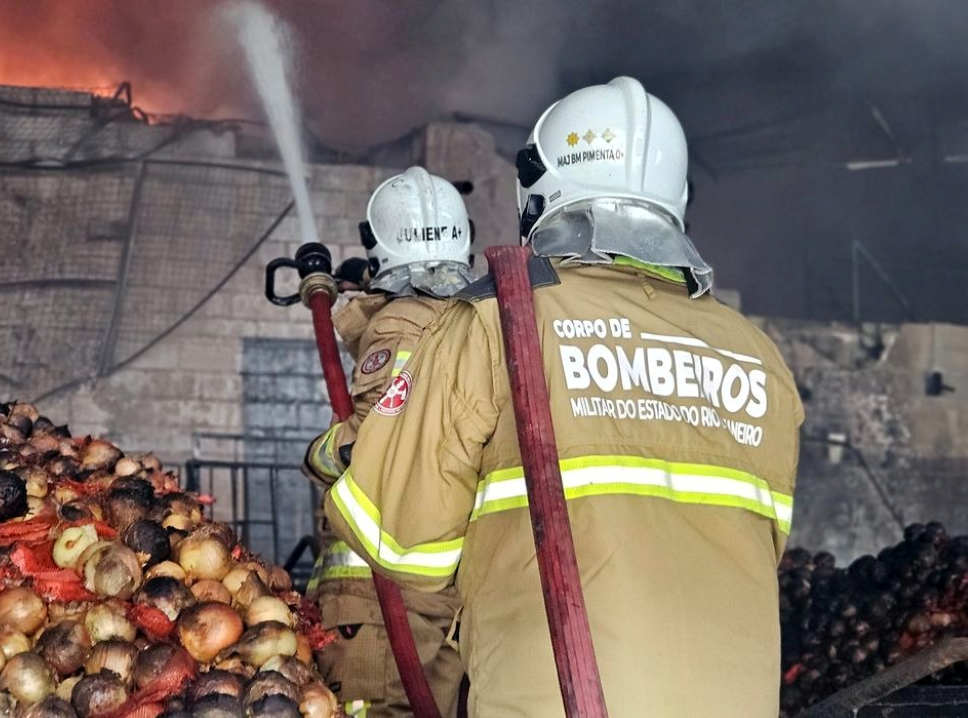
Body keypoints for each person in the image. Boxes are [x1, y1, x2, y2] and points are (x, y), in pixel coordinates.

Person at [325, 77, 804, 717]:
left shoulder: (496, 324)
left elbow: (398, 539)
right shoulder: (760, 359)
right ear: (678, 199)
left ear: (538, 195)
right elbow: (760, 547)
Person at [303, 166, 472, 718]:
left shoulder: (399, 323)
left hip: (381, 596)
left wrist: (317, 455)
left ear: (380, 249)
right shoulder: (474, 321)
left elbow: (371, 446)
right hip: (442, 588)